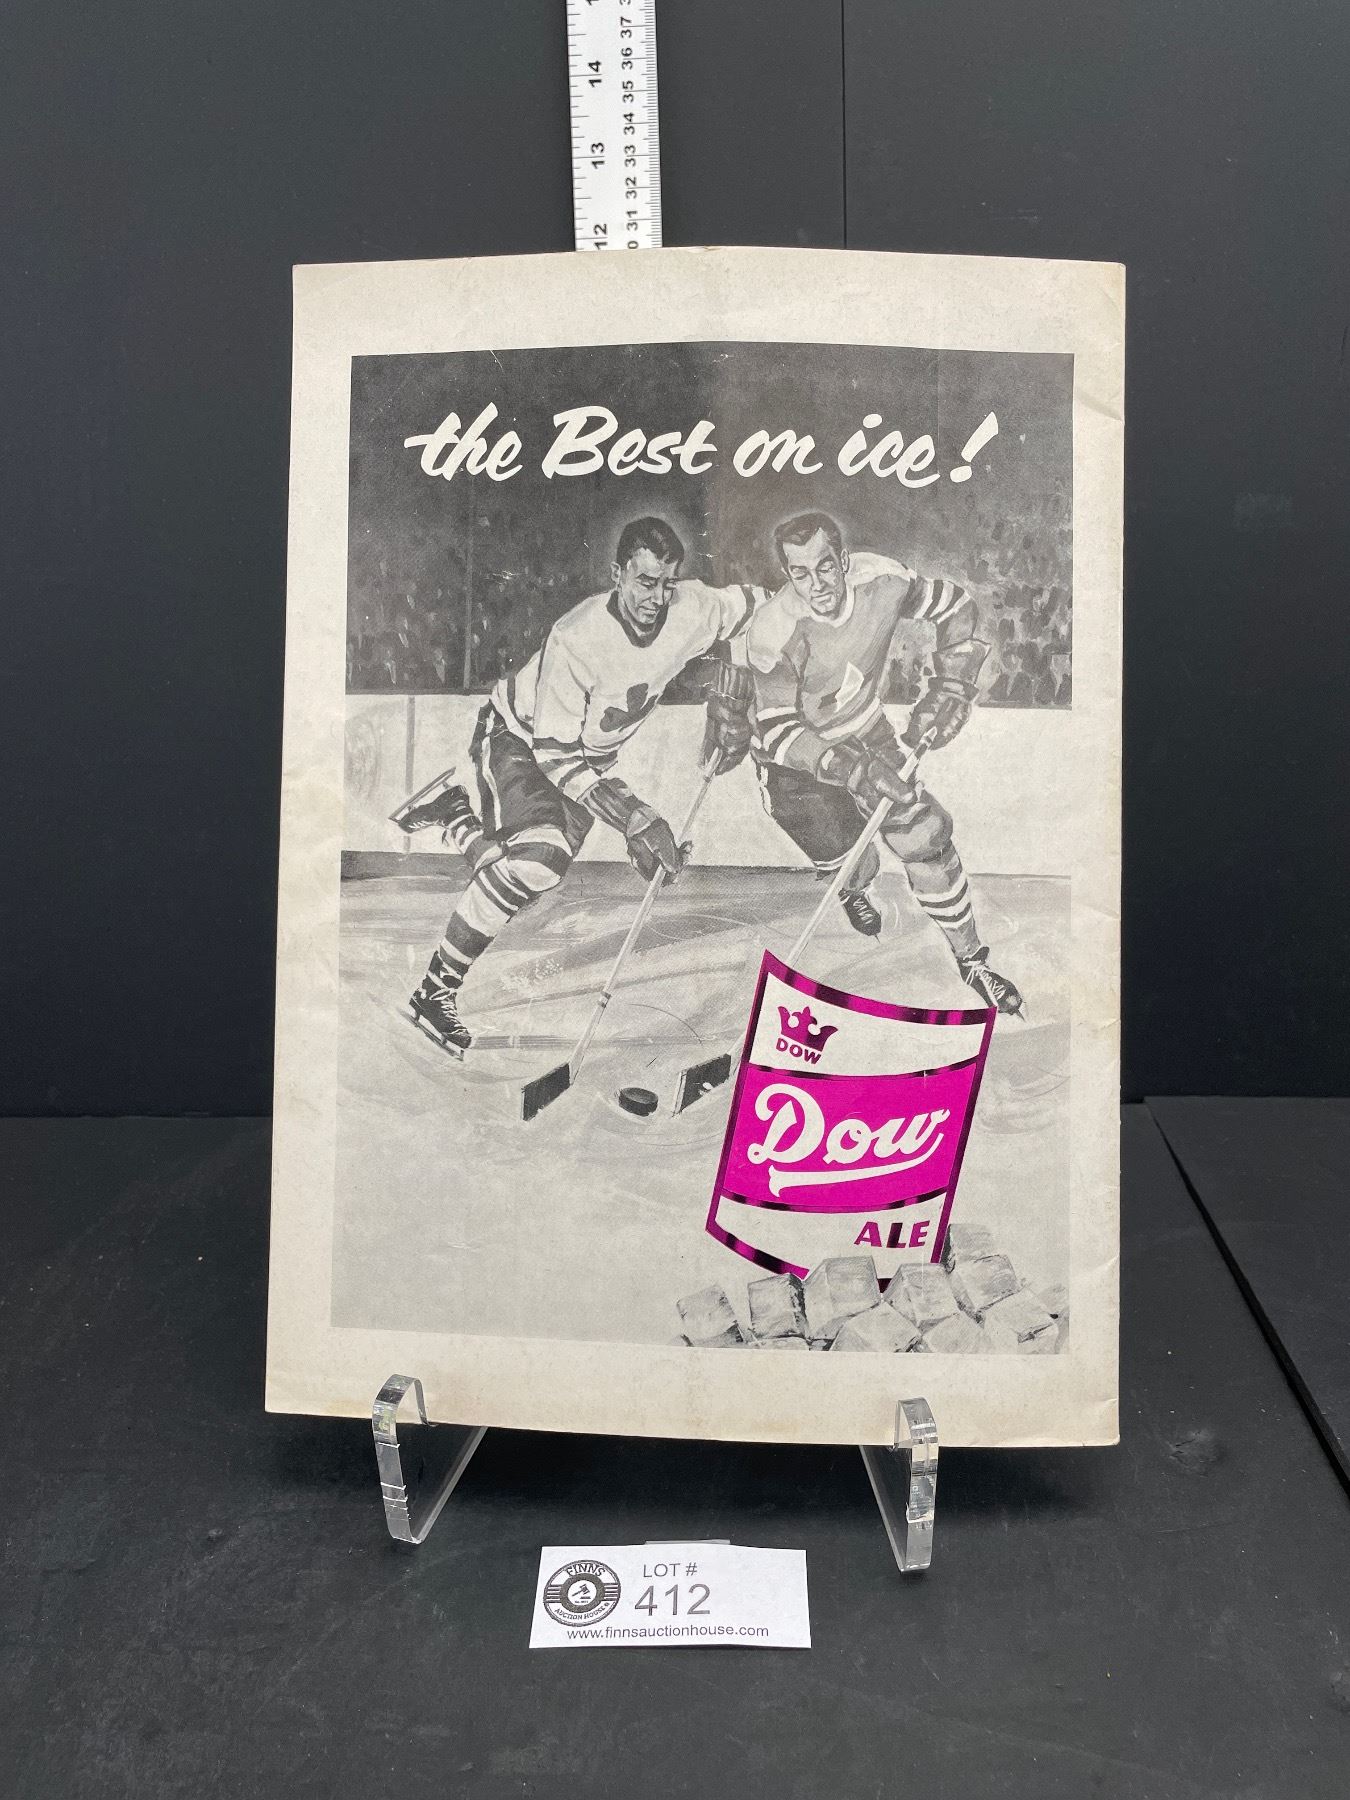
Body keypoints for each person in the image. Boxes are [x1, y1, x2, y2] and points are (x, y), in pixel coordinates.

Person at [391, 516, 759, 1055]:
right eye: (645, 582)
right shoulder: (577, 637)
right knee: (540, 860)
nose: (657, 598)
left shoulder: (695, 607)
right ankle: (433, 992)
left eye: (667, 583)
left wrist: (734, 695)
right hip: (520, 741)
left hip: (588, 758)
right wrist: (634, 818)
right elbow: (556, 757)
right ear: (616, 574)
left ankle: (456, 818)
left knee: (528, 880)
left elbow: (755, 610)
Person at [744, 510, 1023, 1015]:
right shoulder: (772, 629)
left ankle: (971, 960)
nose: (817, 584)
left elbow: (955, 604)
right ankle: (853, 888)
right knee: (855, 862)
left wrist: (953, 683)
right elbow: (778, 730)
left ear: (843, 559)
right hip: (795, 766)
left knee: (925, 836)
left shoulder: (883, 579)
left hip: (866, 731)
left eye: (825, 566)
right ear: (787, 574)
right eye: (801, 573)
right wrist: (853, 772)